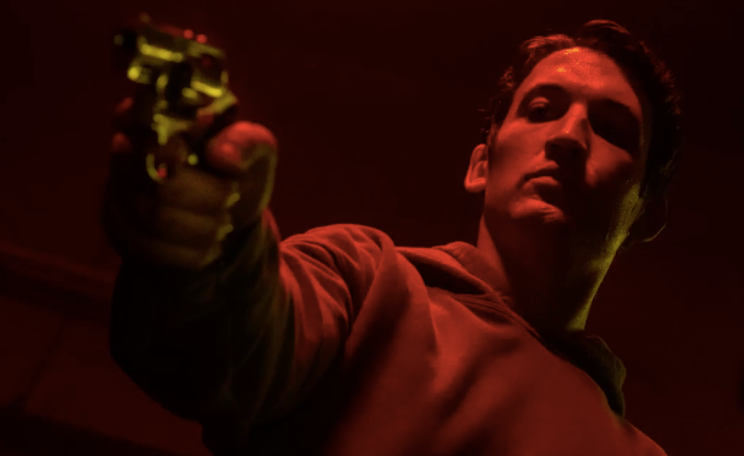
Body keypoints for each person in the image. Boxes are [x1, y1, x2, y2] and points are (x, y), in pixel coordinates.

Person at [101, 19, 683, 456]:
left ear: (645, 214)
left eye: (611, 128)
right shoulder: (363, 276)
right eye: (541, 109)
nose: (569, 137)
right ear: (481, 164)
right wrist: (208, 249)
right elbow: (228, 348)